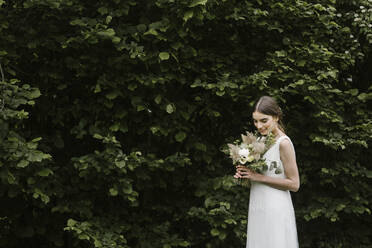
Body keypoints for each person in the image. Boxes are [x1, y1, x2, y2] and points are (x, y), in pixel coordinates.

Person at [234, 96, 300, 248]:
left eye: (264, 120)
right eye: (256, 121)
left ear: (276, 117)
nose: (259, 126)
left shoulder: (283, 143)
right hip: (258, 204)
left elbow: (294, 184)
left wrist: (258, 176)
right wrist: (245, 175)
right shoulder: (262, 141)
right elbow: (262, 176)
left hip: (275, 207)